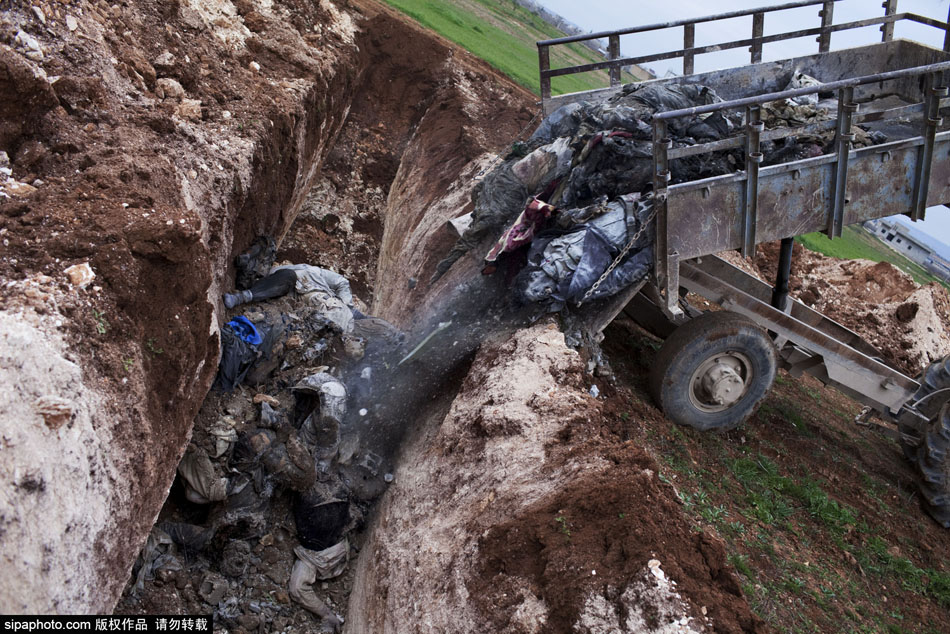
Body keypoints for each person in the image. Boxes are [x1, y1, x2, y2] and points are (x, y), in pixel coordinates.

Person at [224, 263, 356, 333]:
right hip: (293, 297)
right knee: (288, 278)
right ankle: (241, 297)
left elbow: (342, 282)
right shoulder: (302, 272)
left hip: (319, 319)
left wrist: (347, 305)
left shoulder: (314, 272)